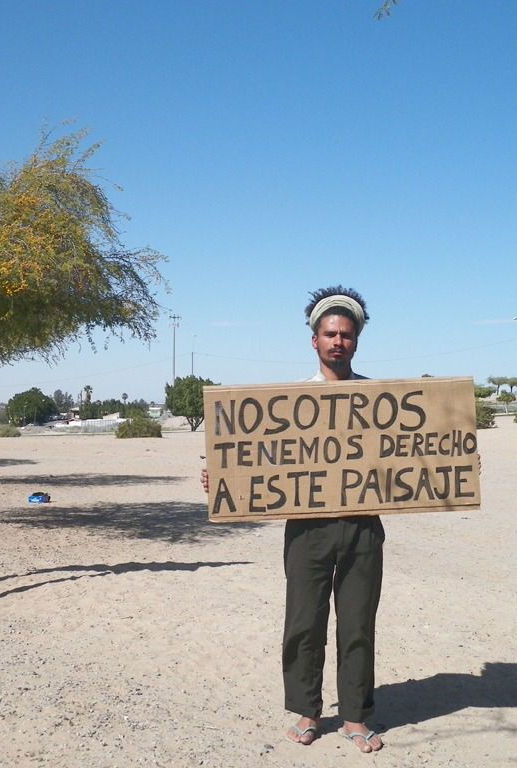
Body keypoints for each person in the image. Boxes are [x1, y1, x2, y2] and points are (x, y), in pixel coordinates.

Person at [202, 285, 385, 753]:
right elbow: (257, 458)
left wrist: (454, 464)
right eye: (330, 333)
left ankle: (355, 717)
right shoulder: (287, 403)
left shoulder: (377, 397)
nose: (338, 341)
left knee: (358, 624)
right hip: (307, 529)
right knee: (304, 623)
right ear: (314, 340)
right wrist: (224, 476)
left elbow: (411, 452)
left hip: (363, 527)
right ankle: (307, 711)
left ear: (357, 340)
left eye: (346, 334)